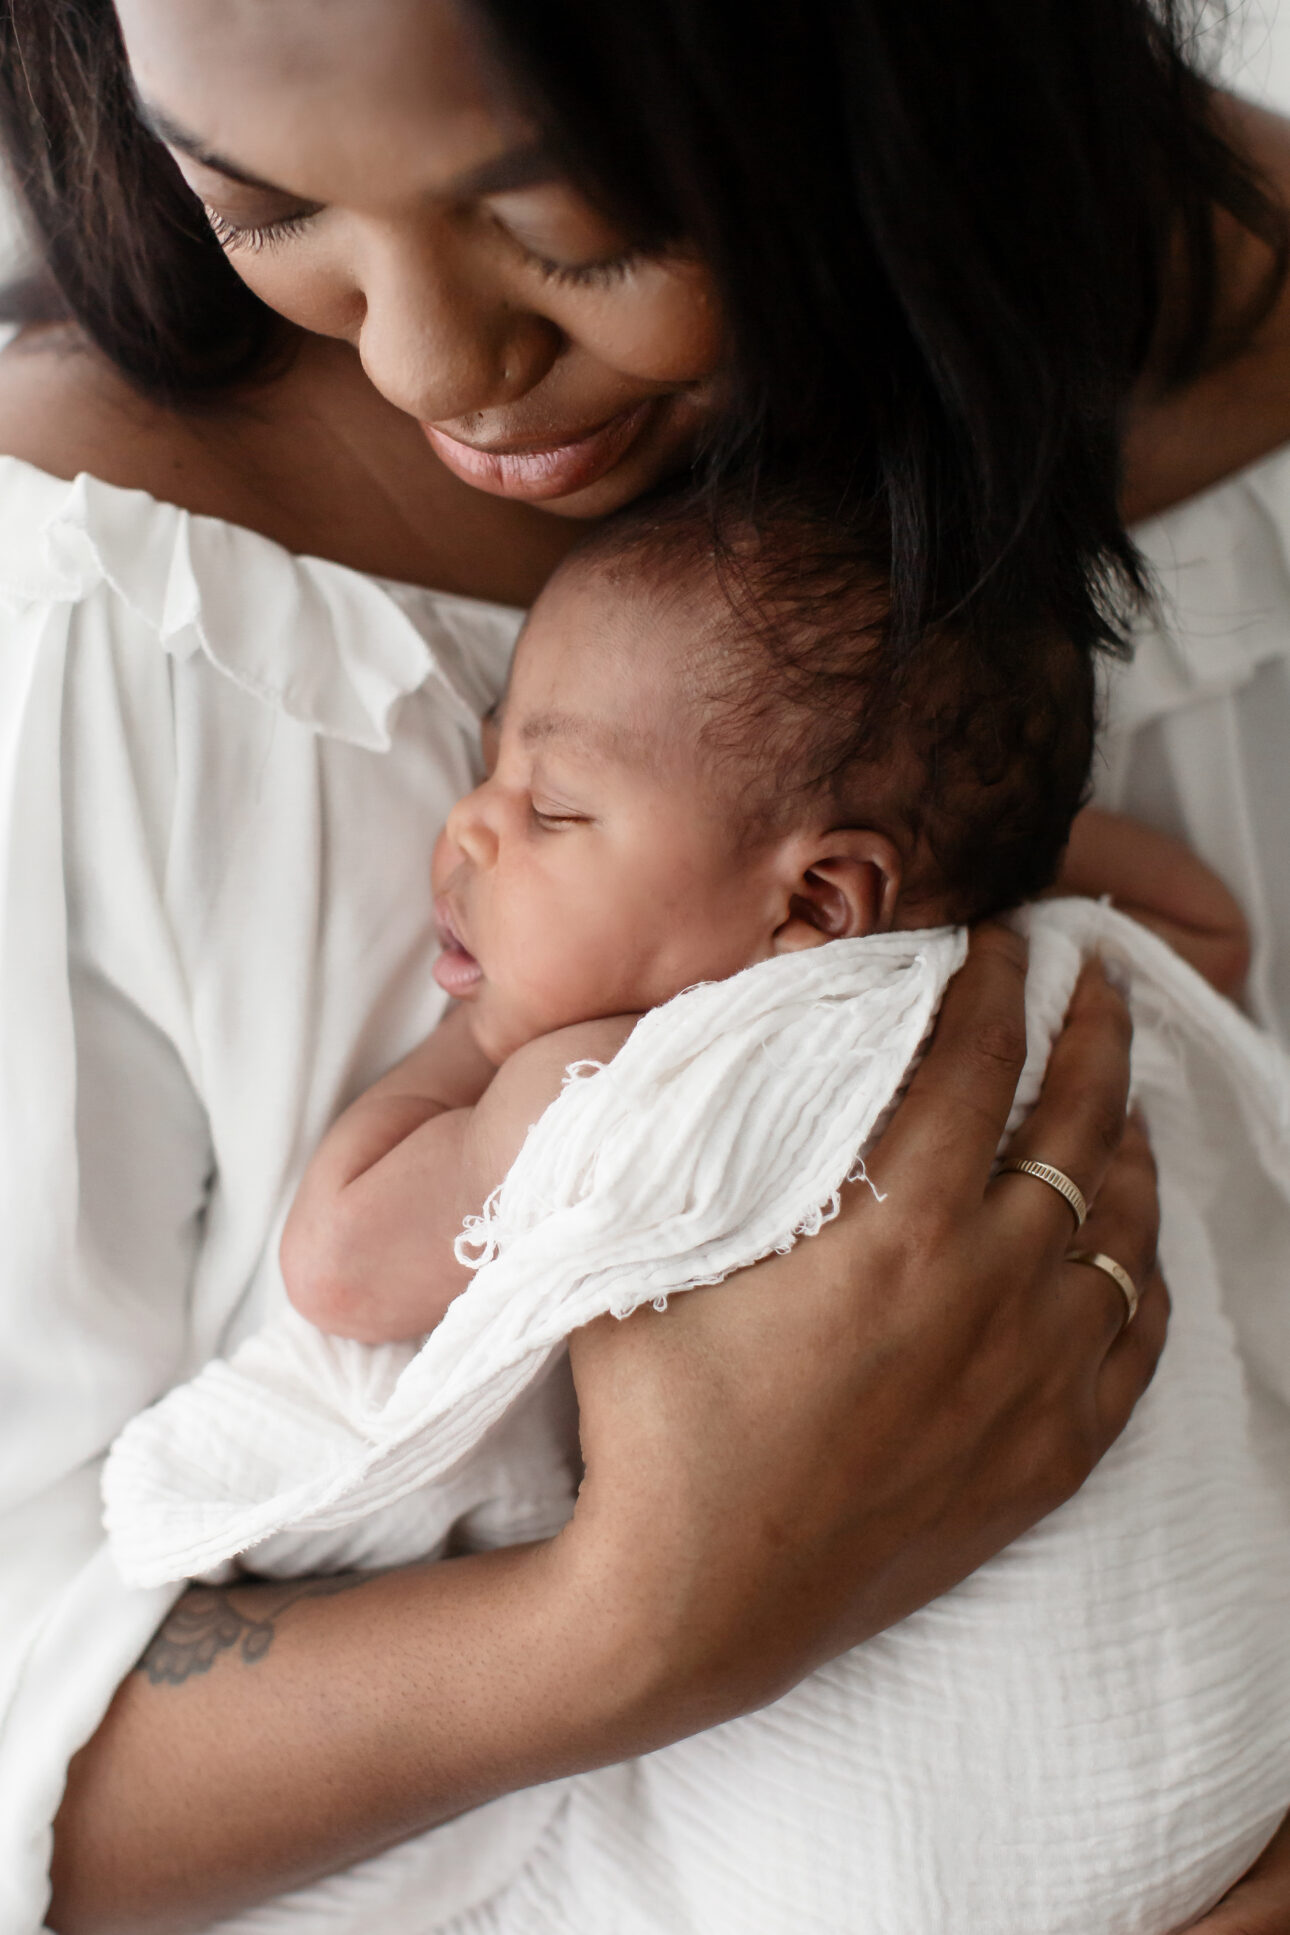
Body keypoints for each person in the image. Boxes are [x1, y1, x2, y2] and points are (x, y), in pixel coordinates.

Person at [0, 0, 1287, 1926]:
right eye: (254, 202)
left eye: (578, 230)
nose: (444, 367)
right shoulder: (90, 610)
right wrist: (641, 1622)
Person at [102, 496, 1290, 1934]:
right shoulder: (1048, 968)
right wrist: (988, 845)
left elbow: (345, 1264)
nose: (468, 828)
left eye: (550, 809)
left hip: (888, 1845)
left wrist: (475, 1054)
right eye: (490, 773)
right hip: (1218, 1762)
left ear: (821, 900)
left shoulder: (615, 1086)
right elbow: (1211, 930)